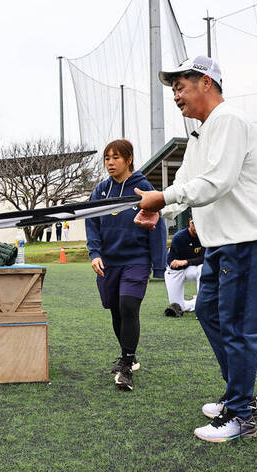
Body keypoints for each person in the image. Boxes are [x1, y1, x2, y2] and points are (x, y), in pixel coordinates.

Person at [135, 56, 257, 442]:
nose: (176, 97)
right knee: (207, 311)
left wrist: (161, 196)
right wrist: (160, 210)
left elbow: (216, 182)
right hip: (221, 241)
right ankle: (241, 397)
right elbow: (189, 180)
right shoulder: (203, 133)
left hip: (248, 238)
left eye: (180, 88)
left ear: (206, 83)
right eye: (173, 91)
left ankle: (240, 412)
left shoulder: (229, 120)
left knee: (238, 327)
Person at [86, 139, 167, 391]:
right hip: (109, 261)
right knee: (116, 310)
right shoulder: (100, 191)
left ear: (129, 159)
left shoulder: (142, 188)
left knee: (128, 305)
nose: (110, 162)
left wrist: (159, 265)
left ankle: (127, 362)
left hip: (136, 259)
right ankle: (127, 355)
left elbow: (158, 225)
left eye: (116, 157)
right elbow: (91, 223)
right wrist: (94, 253)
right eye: (107, 158)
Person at [164, 219, 204, 317]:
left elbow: (205, 258)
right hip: (176, 271)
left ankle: (202, 306)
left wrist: (187, 261)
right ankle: (195, 302)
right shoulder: (180, 237)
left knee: (203, 268)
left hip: (192, 268)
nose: (197, 227)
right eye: (195, 224)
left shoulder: (205, 236)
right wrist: (179, 263)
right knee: (177, 307)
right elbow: (172, 262)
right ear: (190, 224)